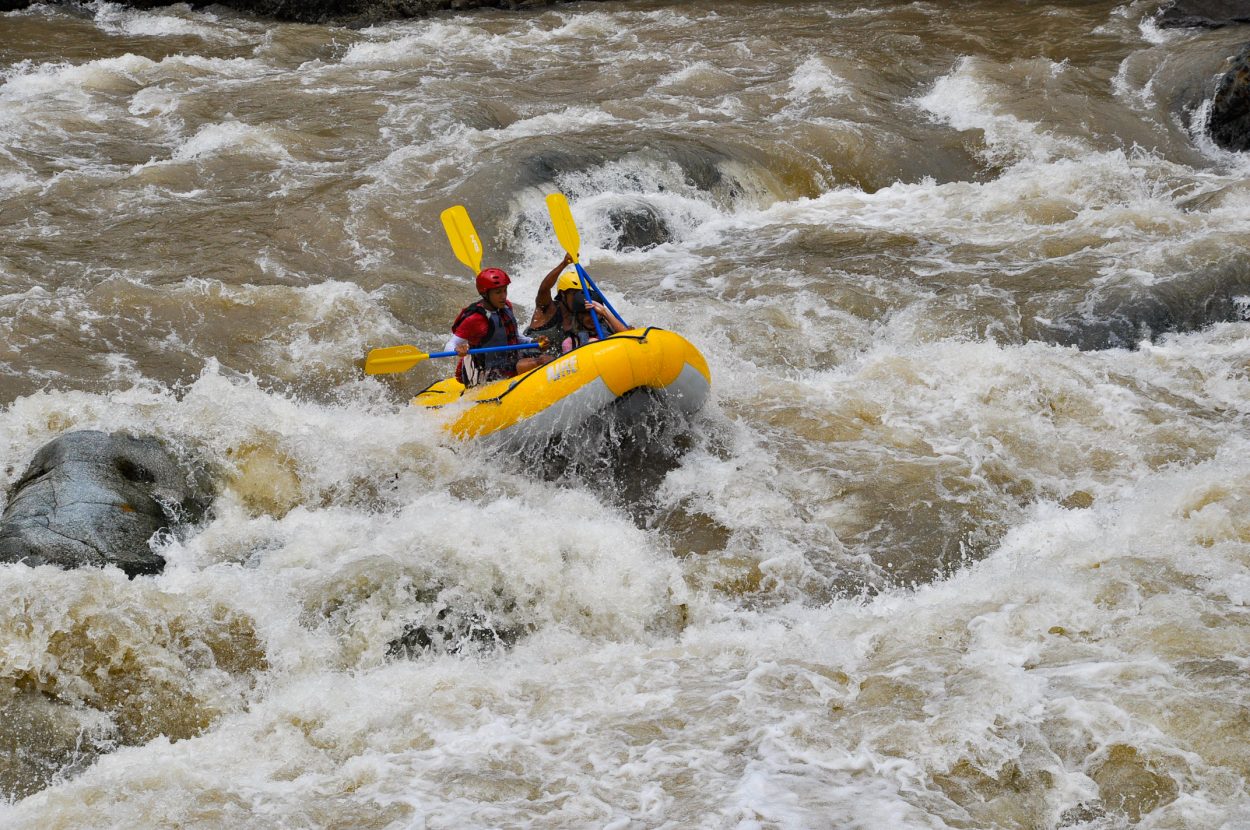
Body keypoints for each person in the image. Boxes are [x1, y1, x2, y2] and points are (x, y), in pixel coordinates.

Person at [446, 266, 551, 387]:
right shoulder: (475, 318)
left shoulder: (506, 306)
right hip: (487, 370)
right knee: (537, 362)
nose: (503, 296)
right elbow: (449, 345)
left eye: (505, 290)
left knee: (546, 358)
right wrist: (458, 350)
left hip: (509, 359)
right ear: (485, 294)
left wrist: (533, 341)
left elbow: (514, 336)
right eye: (498, 292)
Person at [561, 293, 627, 353]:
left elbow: (630, 336)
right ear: (578, 317)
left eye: (596, 313)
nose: (593, 317)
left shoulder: (612, 327)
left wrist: (604, 312)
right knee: (592, 342)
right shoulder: (570, 343)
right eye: (588, 313)